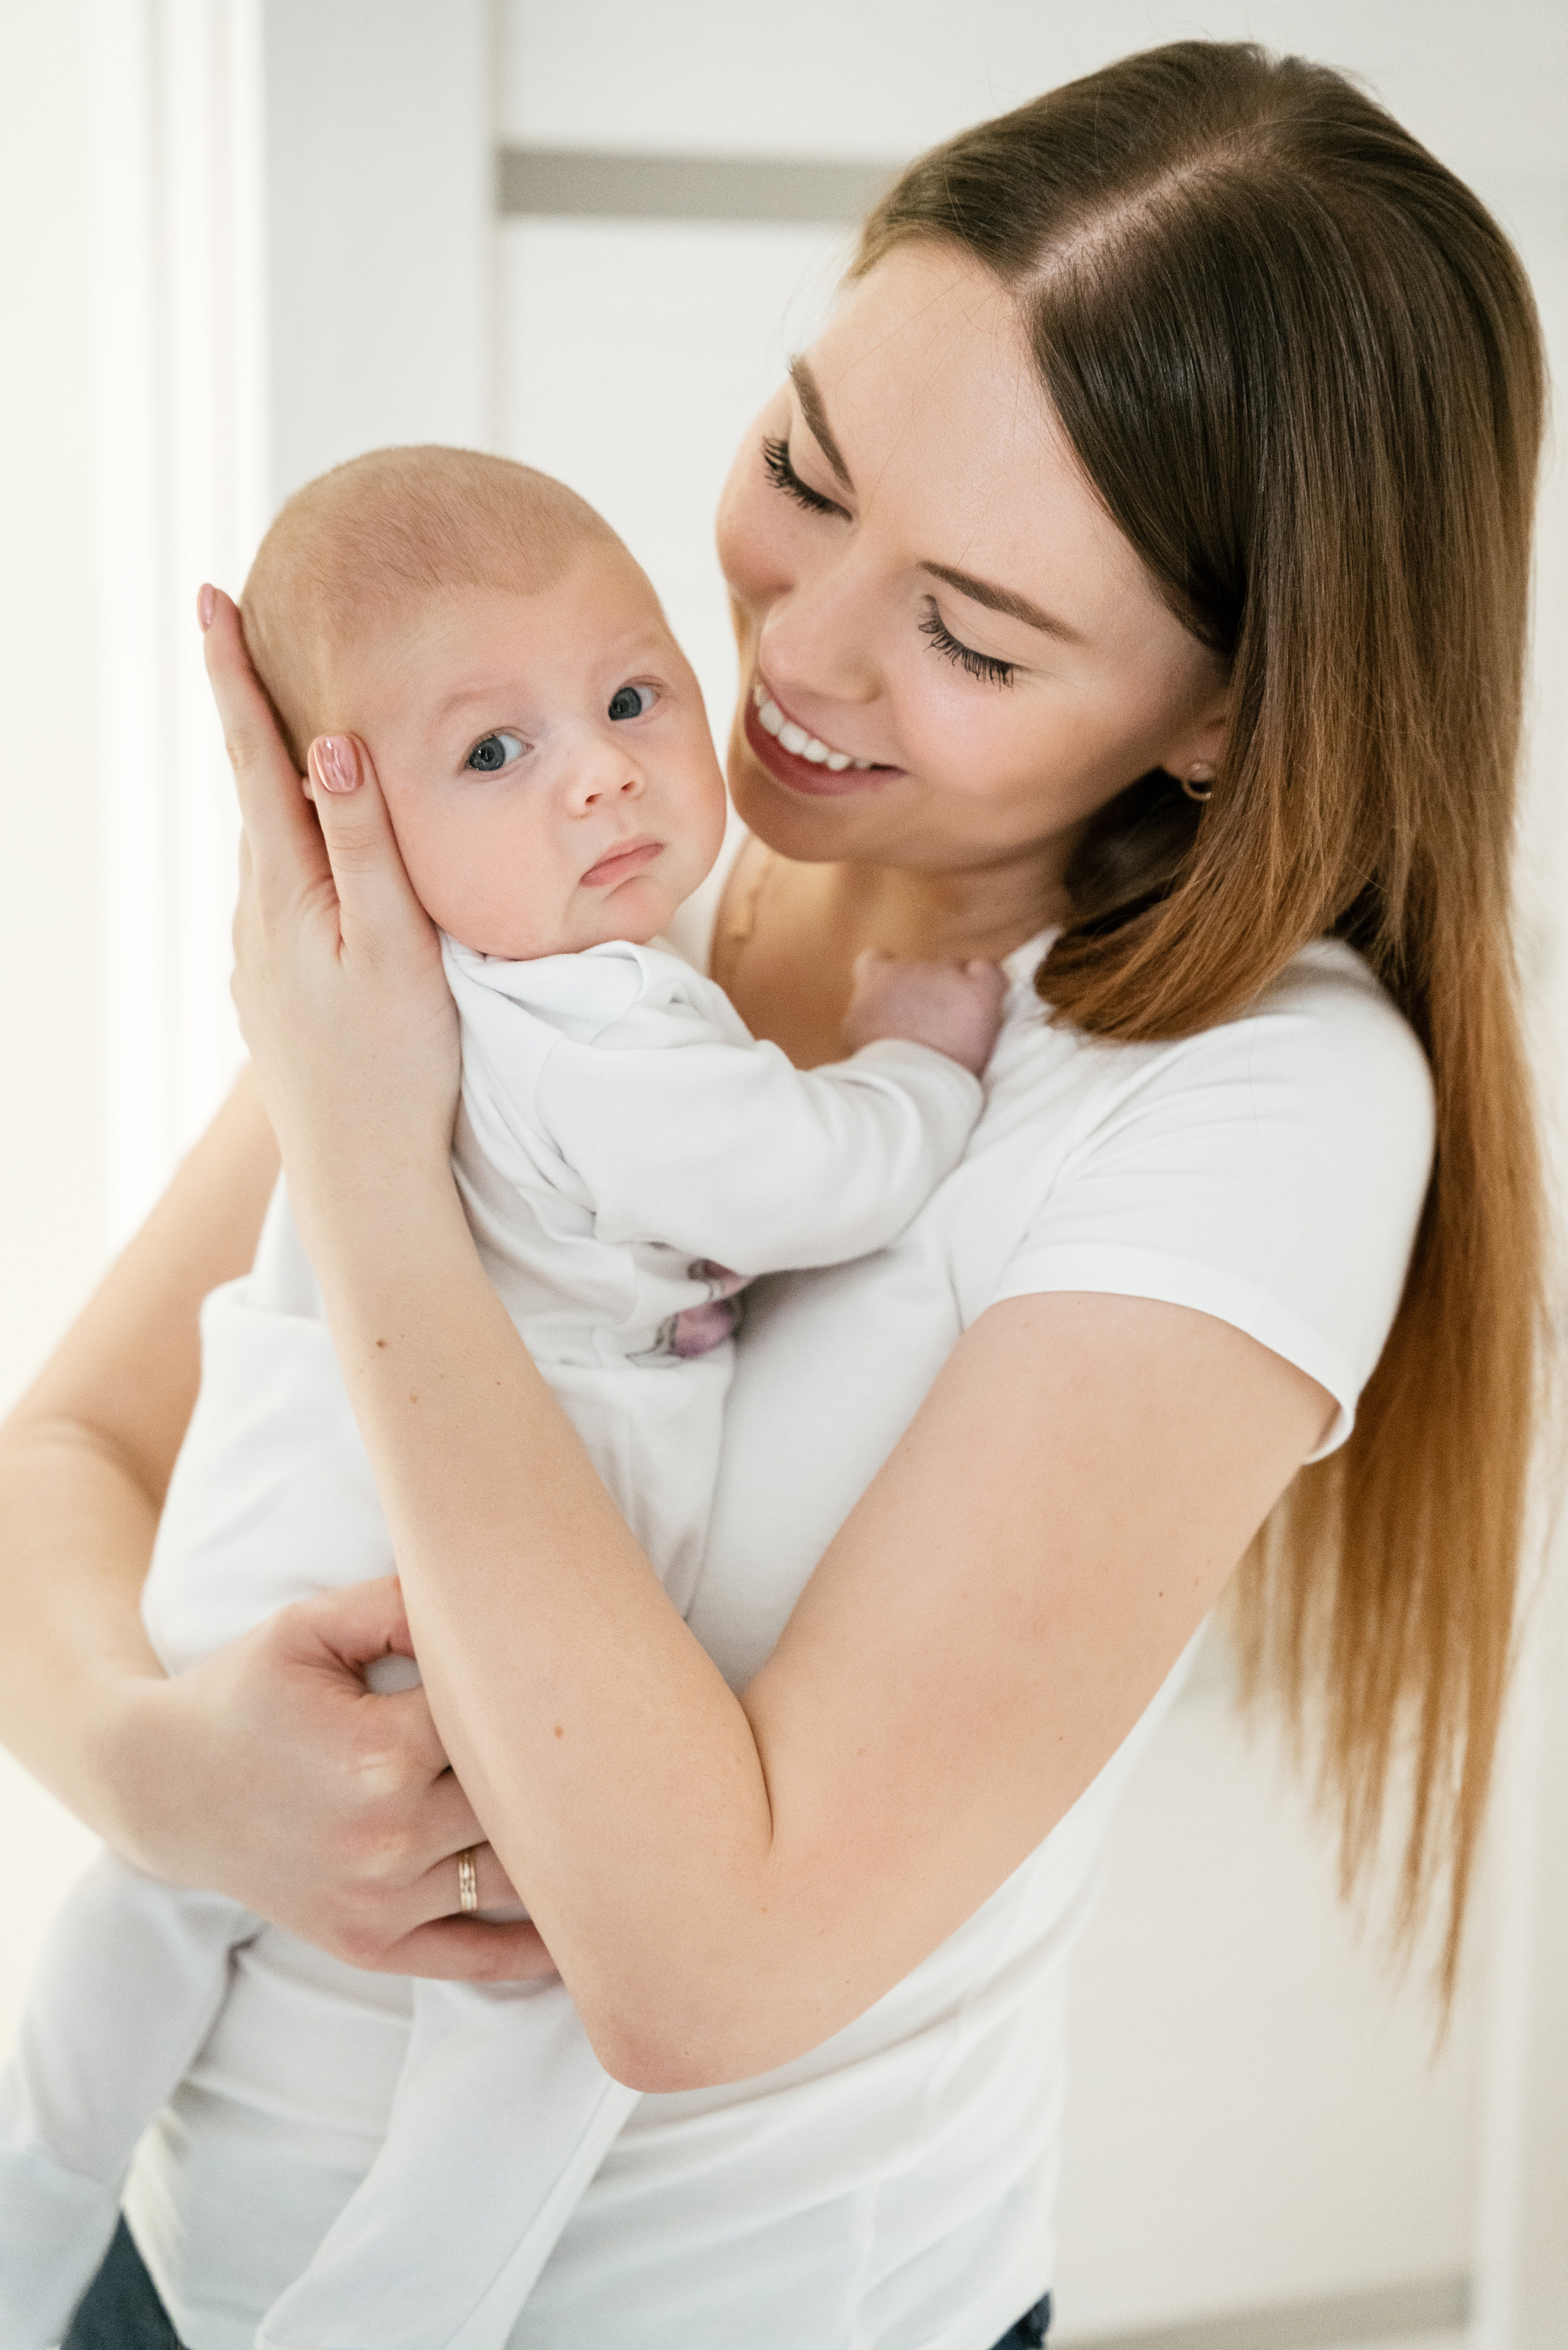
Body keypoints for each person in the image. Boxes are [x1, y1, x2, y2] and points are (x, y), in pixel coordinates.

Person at [0, 40, 1547, 2350]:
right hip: (174, 2263)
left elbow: (696, 1965)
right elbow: (70, 1461)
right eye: (807, 473)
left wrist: (368, 1142)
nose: (792, 656)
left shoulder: (1258, 1103)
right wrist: (168, 1776)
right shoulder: (586, 843)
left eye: (976, 629)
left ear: (1224, 710)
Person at [0, 446, 1005, 2350]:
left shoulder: (386, 992)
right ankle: (385, 2314)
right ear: (341, 823)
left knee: (148, 1912)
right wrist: (921, 1069)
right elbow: (814, 1183)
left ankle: (31, 2204)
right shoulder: (592, 1022)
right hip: (425, 1615)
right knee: (539, 2009)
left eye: (632, 699)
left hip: (250, 1557)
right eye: (496, 754)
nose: (602, 770)